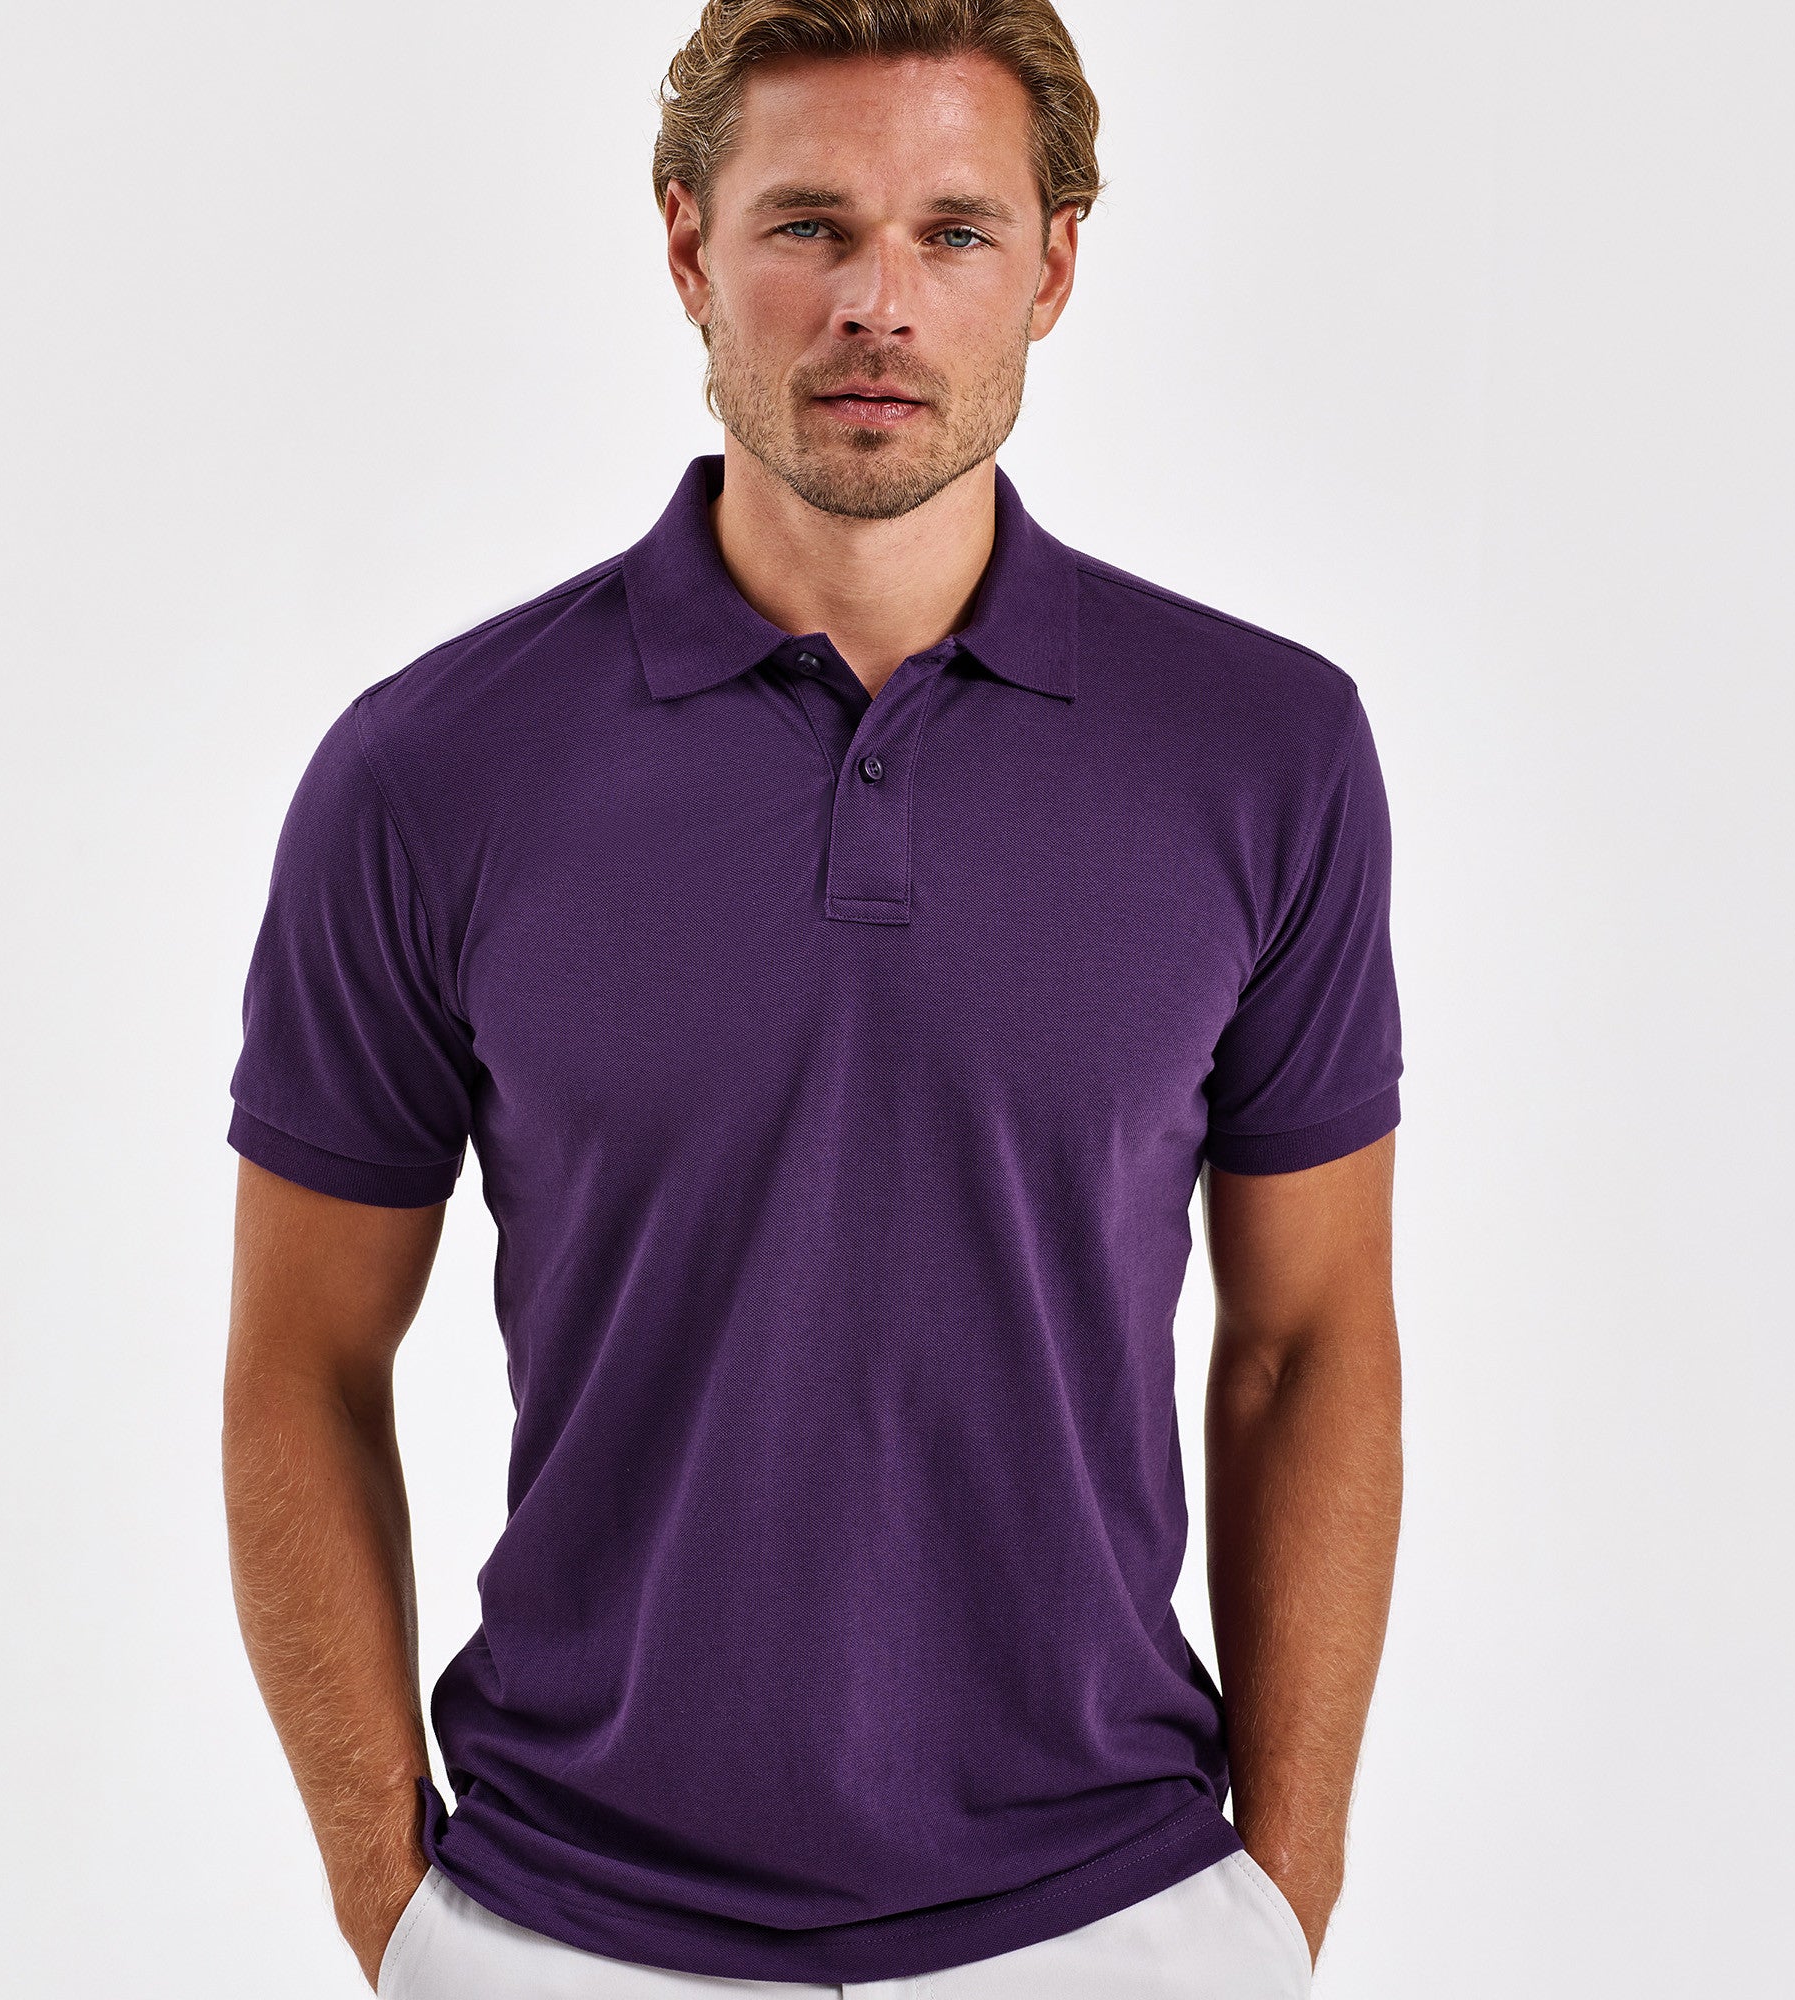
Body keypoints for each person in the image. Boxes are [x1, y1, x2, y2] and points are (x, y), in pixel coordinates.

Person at [220, 3, 1404, 1995]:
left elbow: (1307, 1341)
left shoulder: (1260, 750)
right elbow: (300, 1362)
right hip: (563, 1925)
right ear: (688, 245)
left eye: (953, 230)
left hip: (1113, 1915)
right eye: (809, 226)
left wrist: (1277, 1897)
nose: (878, 302)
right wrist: (389, 1900)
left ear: (1055, 263)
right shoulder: (435, 773)